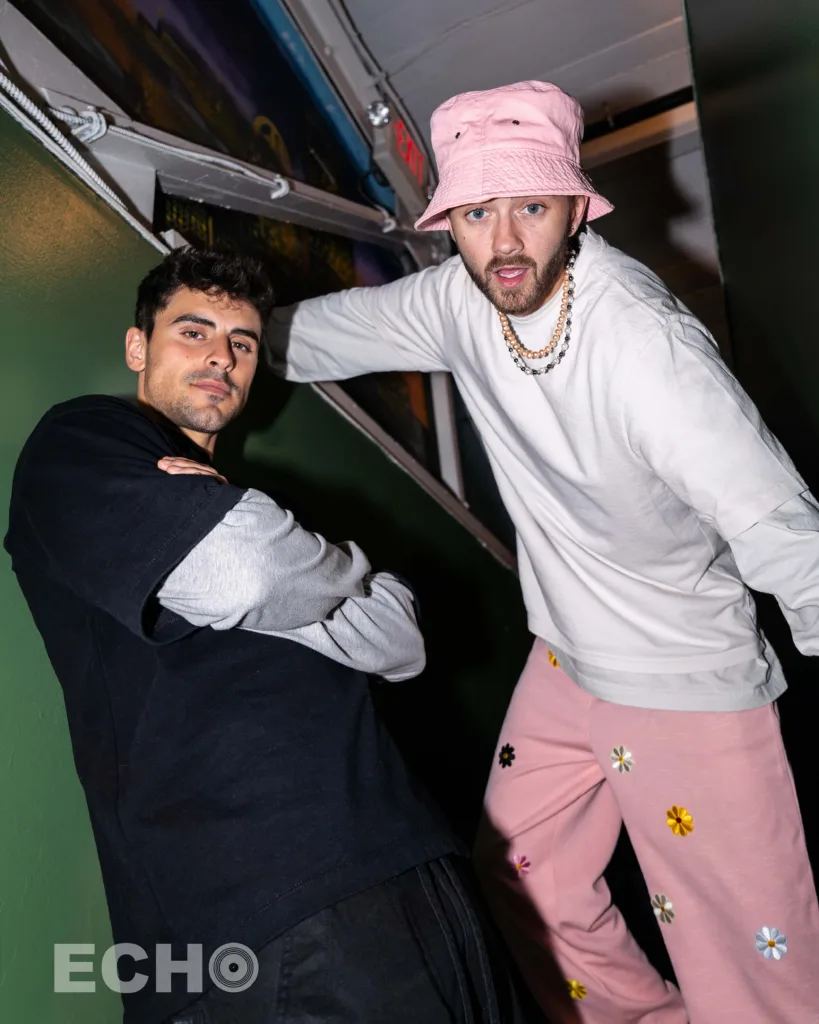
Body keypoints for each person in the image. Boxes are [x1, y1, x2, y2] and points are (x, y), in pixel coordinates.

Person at [265, 80, 819, 1023]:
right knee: (527, 879)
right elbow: (318, 337)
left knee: (745, 963)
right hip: (565, 657)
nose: (506, 242)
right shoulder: (457, 298)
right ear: (451, 222)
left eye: (529, 206)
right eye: (478, 213)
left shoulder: (647, 349)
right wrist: (216, 340)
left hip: (684, 681)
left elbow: (779, 528)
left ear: (574, 204)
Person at [4, 247, 525, 1024]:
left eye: (241, 343)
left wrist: (290, 557)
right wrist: (329, 570)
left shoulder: (254, 504)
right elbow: (241, 574)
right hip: (264, 903)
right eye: (194, 331)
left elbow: (400, 639)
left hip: (417, 864)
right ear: (138, 348)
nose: (221, 355)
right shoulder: (85, 438)